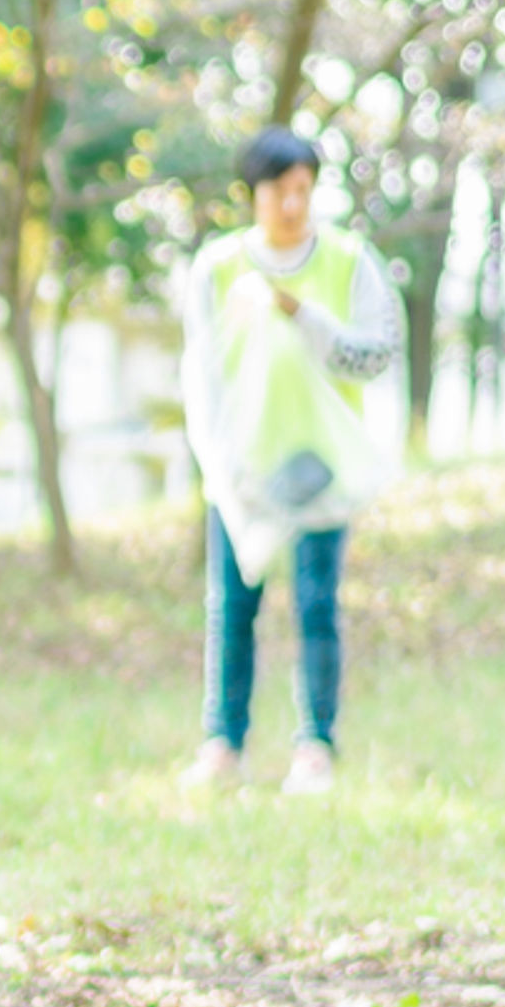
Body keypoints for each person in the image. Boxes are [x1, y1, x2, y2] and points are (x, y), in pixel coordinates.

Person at [178, 124, 402, 795]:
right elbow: (202, 370)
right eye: (281, 190)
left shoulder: (347, 258)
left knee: (315, 603)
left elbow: (374, 353)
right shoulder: (217, 268)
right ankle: (223, 742)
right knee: (232, 605)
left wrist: (301, 314)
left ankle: (316, 746)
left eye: (305, 189)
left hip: (321, 462)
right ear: (254, 193)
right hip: (243, 464)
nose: (294, 204)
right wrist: (216, 459)